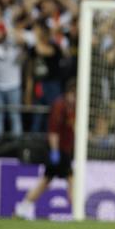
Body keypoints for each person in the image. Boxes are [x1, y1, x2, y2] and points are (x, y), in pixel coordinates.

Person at [15, 79, 76, 219]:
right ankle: (75, 212)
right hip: (59, 150)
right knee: (70, 179)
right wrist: (54, 151)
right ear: (68, 93)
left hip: (64, 149)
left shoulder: (73, 108)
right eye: (74, 94)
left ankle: (22, 208)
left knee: (45, 181)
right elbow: (53, 131)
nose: (75, 98)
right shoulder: (60, 106)